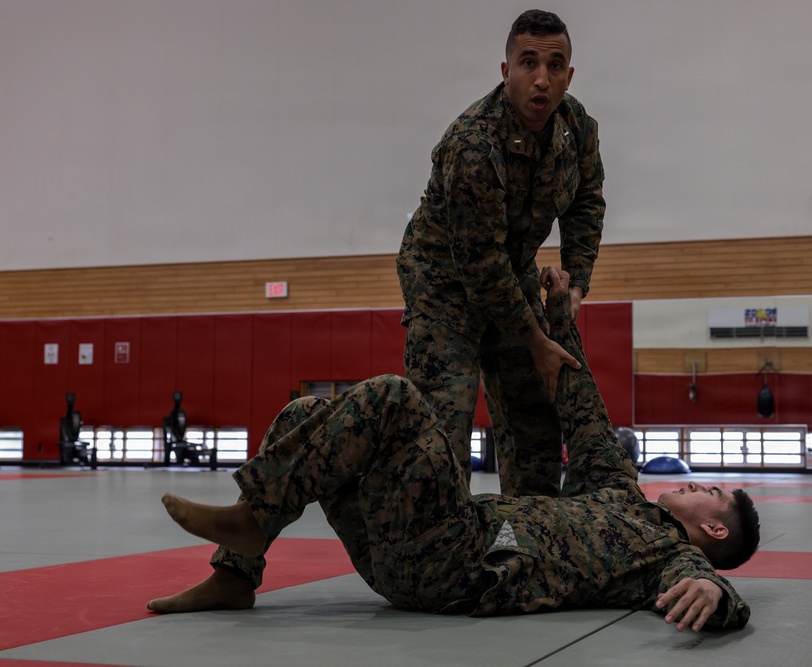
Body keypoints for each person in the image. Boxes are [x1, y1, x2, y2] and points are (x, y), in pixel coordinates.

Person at [148, 268, 760, 634]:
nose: (698, 483)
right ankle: (234, 575)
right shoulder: (616, 491)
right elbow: (584, 407)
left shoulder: (664, 558)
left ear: (710, 525)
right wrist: (559, 321)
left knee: (395, 397)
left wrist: (715, 595)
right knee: (305, 415)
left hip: (459, 561)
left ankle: (255, 518)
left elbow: (713, 591)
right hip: (414, 548)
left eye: (710, 491)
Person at [396, 9, 605, 497]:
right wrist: (537, 339)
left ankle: (527, 544)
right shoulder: (474, 143)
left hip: (511, 275)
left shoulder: (577, 128)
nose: (541, 79)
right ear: (505, 70)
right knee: (445, 423)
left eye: (555, 66)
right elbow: (480, 265)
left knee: (535, 418)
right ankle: (440, 555)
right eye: (528, 63)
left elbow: (587, 202)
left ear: (568, 75)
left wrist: (576, 286)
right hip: (444, 286)